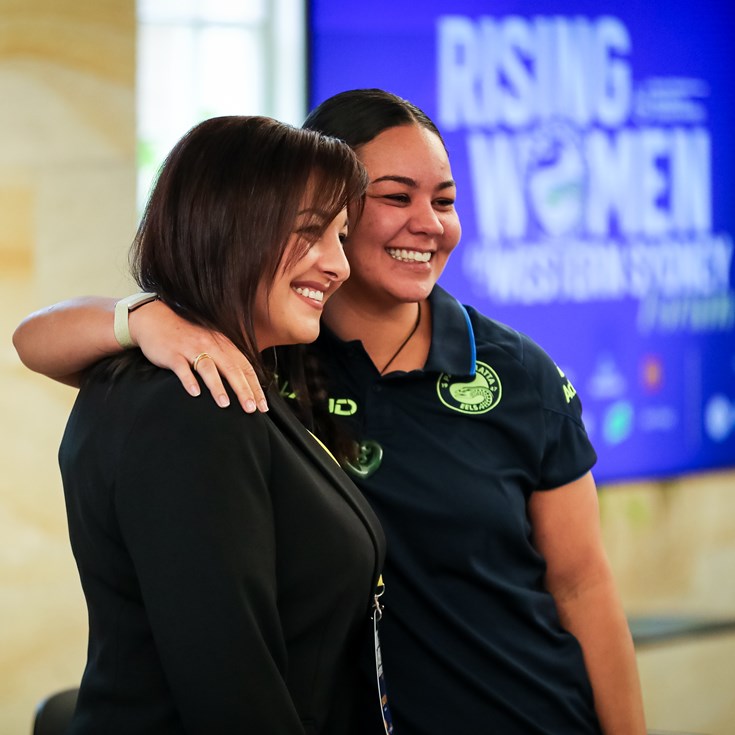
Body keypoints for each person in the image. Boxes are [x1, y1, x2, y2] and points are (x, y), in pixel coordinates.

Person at [14, 91, 646, 734]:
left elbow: (582, 587)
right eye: (394, 198)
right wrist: (143, 318)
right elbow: (34, 340)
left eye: (446, 200)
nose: (427, 222)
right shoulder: (241, 368)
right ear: (252, 220)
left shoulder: (513, 372)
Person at [14, 114, 388, 735]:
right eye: (311, 233)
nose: (339, 265)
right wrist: (141, 317)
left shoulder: (228, 377)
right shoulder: (192, 402)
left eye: (342, 237)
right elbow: (233, 695)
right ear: (231, 226)